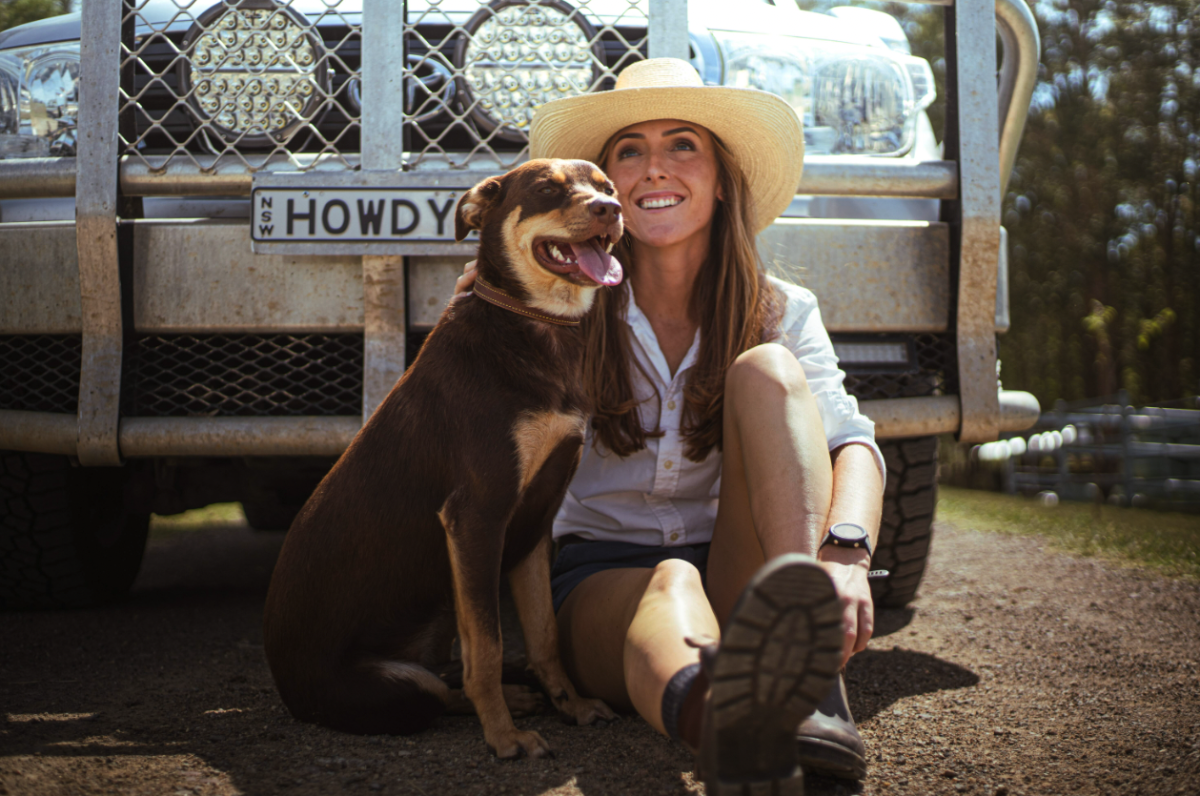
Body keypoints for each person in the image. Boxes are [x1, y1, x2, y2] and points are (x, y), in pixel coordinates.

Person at [454, 58, 885, 787]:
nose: (654, 168)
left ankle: (809, 672)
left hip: (749, 561)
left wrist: (844, 555)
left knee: (769, 372)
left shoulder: (781, 307)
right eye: (628, 151)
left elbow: (853, 445)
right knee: (672, 581)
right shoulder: (544, 308)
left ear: (722, 179)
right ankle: (732, 735)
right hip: (603, 581)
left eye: (682, 144)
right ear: (602, 186)